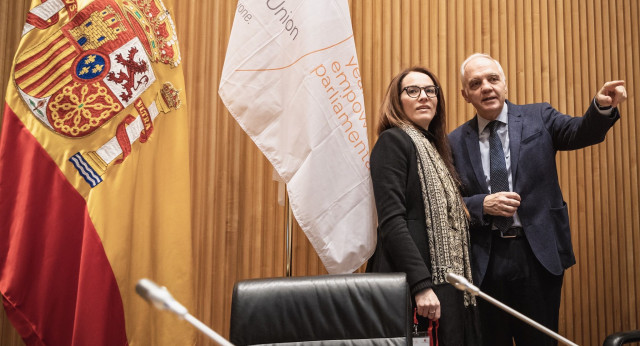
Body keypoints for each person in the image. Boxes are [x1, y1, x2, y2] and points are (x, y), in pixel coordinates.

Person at [448, 53, 627, 346]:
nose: (487, 87)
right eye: (476, 83)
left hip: (538, 255)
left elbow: (580, 132)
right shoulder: (454, 141)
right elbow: (449, 202)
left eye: (493, 79)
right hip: (486, 260)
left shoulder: (538, 116)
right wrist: (482, 204)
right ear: (465, 94)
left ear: (504, 83)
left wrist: (601, 108)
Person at [367, 66, 479, 345]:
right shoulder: (393, 142)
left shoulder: (437, 150)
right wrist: (421, 286)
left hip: (448, 284)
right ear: (397, 99)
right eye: (412, 91)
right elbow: (392, 221)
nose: (423, 97)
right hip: (416, 287)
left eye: (431, 91)